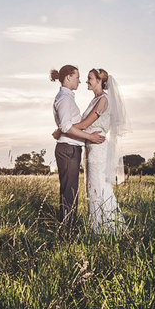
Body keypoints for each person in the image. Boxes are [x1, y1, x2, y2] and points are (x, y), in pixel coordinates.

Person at [50, 64, 105, 230]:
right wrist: (90, 137)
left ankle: (68, 227)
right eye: (77, 77)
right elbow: (67, 126)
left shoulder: (67, 97)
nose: (80, 81)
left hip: (69, 148)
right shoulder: (65, 98)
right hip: (68, 148)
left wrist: (59, 130)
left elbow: (66, 125)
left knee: (69, 190)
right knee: (69, 192)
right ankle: (68, 231)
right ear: (68, 77)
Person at [76, 68, 129, 235]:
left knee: (98, 187)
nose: (86, 81)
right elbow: (85, 125)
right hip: (90, 147)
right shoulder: (96, 99)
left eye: (90, 78)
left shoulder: (103, 100)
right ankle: (98, 227)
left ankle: (107, 229)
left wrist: (65, 129)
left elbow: (85, 124)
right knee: (92, 187)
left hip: (98, 148)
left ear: (99, 81)